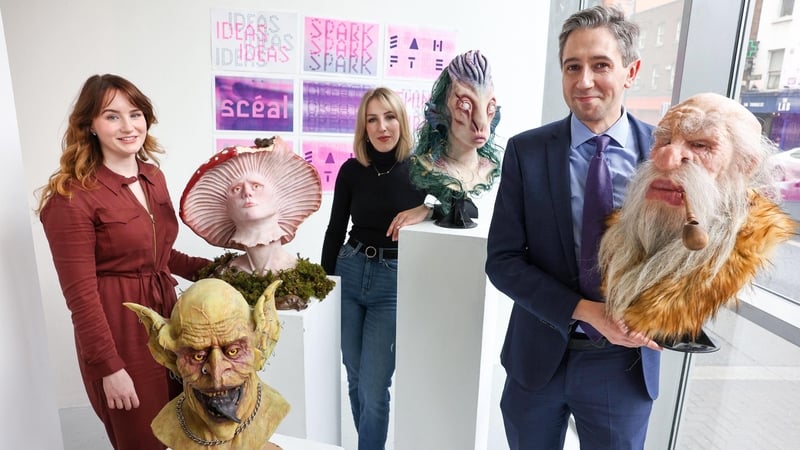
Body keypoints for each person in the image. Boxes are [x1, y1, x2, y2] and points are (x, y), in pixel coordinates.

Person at [485, 6, 661, 449]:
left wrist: (663, 314)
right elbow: (503, 261)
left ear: (630, 71)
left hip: (623, 369)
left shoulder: (665, 157)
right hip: (536, 360)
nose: (584, 81)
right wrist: (583, 309)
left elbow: (690, 258)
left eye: (600, 65)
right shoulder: (526, 152)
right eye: (572, 67)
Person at [36, 74, 211, 450]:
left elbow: (161, 255)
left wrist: (221, 270)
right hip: (122, 333)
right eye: (112, 116)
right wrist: (110, 368)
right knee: (143, 441)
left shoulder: (153, 177)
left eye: (135, 114)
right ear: (90, 126)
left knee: (189, 435)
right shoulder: (71, 197)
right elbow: (80, 296)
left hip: (172, 320)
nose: (128, 126)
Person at [599, 92, 796, 348]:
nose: (666, 159)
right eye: (664, 140)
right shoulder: (629, 222)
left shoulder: (744, 244)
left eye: (700, 146)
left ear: (745, 165)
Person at [320, 87, 429, 450]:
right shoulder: (352, 171)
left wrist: (426, 209)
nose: (382, 127)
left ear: (402, 121)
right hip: (349, 271)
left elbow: (465, 210)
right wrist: (325, 288)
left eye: (390, 117)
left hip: (392, 282)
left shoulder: (422, 170)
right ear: (363, 127)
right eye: (372, 119)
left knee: (374, 384)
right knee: (353, 375)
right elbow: (335, 230)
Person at [124, 278, 289, 449]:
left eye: (233, 351)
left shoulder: (272, 408)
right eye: (197, 356)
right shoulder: (167, 424)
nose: (217, 376)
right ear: (168, 354)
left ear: (262, 341)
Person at [180, 136, 334, 310]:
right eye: (236, 189)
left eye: (256, 186)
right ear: (226, 209)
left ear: (279, 196)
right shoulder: (226, 276)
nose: (247, 193)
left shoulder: (301, 275)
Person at [408, 49, 503, 228]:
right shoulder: (429, 166)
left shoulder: (487, 168)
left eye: (489, 107)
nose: (480, 123)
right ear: (441, 112)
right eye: (465, 105)